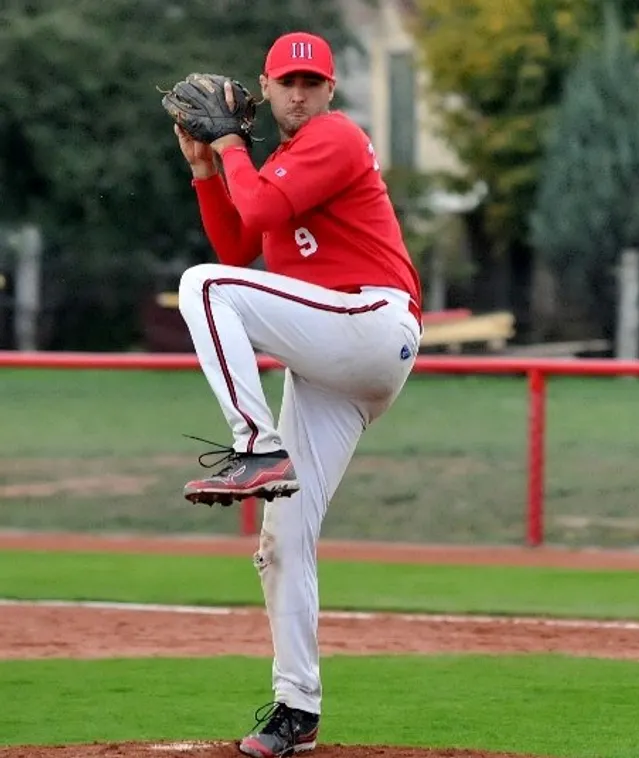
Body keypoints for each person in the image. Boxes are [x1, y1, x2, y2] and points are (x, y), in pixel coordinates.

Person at [173, 30, 423, 757]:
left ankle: (255, 446)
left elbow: (238, 237)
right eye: (287, 82)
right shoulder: (276, 164)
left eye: (312, 83)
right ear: (267, 85)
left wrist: (229, 151)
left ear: (331, 92)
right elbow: (237, 241)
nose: (299, 93)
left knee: (200, 287)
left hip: (371, 324)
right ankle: (296, 709)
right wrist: (203, 169)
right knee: (282, 537)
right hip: (333, 362)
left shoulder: (337, 137)